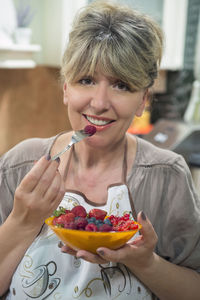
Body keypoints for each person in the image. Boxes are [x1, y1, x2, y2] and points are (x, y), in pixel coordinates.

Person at [0, 1, 200, 299]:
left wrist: (146, 262)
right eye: (86, 80)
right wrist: (22, 221)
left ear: (143, 100)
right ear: (66, 88)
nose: (99, 102)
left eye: (121, 85)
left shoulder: (166, 175)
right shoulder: (20, 164)